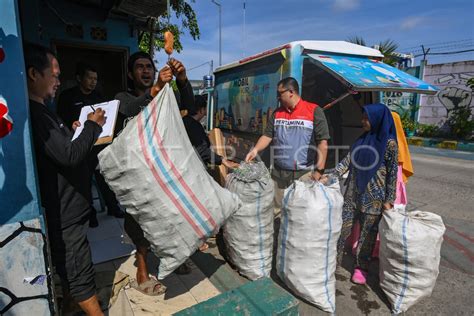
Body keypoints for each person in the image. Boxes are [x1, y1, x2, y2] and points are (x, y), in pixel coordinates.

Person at [25, 43, 106, 315]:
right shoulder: (37, 115)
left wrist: (77, 131)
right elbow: (70, 156)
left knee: (71, 268)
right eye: (55, 75)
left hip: (71, 209)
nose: (59, 81)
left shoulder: (44, 110)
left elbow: (62, 149)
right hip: (65, 213)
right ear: (34, 74)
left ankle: (71, 305)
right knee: (79, 273)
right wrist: (93, 125)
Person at [114, 51, 195, 296]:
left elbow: (189, 107)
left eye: (149, 66)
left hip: (163, 165)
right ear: (130, 73)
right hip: (136, 169)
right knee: (139, 219)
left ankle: (173, 256)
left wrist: (182, 80)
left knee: (170, 215)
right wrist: (157, 87)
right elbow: (129, 110)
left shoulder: (165, 96)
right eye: (140, 67)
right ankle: (142, 264)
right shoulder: (122, 97)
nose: (146, 71)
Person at [327, 103, 398, 285]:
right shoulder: (361, 140)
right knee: (342, 228)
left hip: (375, 198)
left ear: (376, 119)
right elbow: (347, 161)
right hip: (353, 192)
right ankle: (332, 261)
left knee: (367, 235)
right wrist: (330, 176)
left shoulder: (389, 144)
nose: (362, 121)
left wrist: (389, 199)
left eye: (366, 118)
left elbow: (392, 174)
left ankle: (361, 266)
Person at [245, 77, 330, 208]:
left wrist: (319, 170)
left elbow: (322, 143)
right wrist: (255, 150)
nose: (278, 97)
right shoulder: (277, 113)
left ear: (291, 92)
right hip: (279, 175)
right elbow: (267, 136)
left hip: (304, 174)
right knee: (277, 211)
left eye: (280, 93)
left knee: (300, 214)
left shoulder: (314, 111)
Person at [57, 63, 124, 226]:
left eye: (95, 79)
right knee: (84, 182)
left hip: (99, 145)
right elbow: (62, 121)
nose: (93, 82)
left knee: (105, 179)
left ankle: (113, 207)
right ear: (79, 78)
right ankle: (90, 215)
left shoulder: (99, 97)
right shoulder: (67, 97)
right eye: (89, 78)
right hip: (80, 146)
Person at [183, 95, 239, 169]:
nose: (206, 112)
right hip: (192, 168)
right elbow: (202, 151)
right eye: (205, 109)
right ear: (201, 110)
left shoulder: (184, 121)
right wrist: (222, 160)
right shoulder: (194, 126)